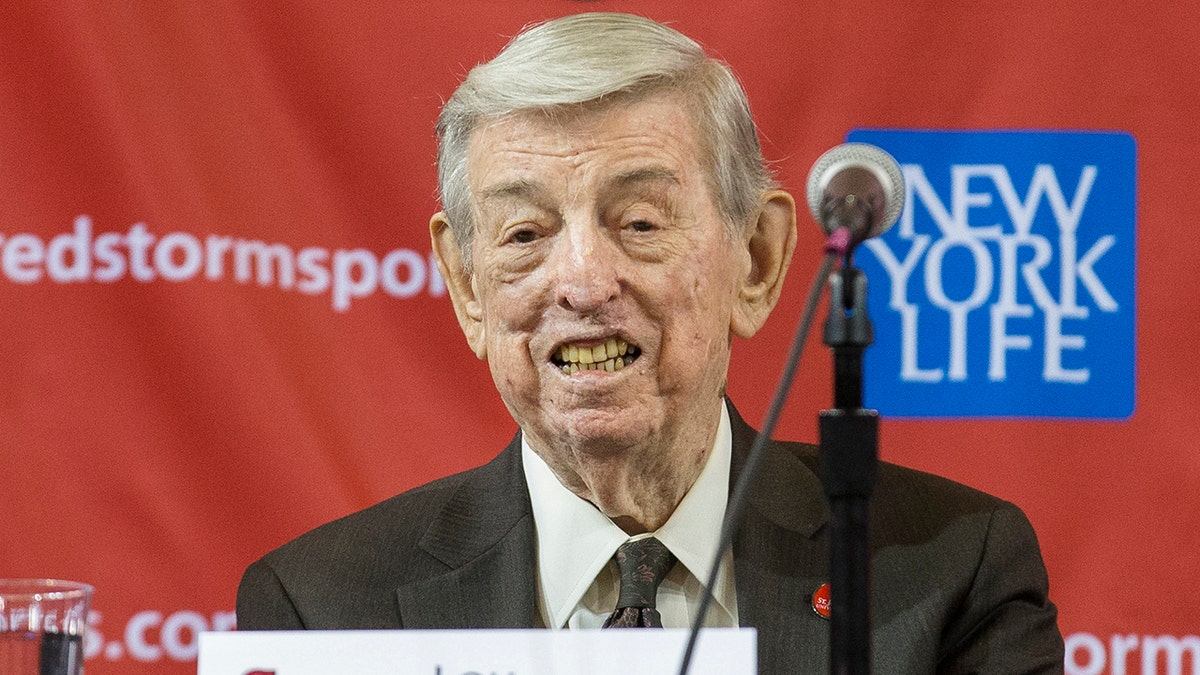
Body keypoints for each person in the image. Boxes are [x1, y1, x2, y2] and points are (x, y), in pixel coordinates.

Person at [237, 12, 1064, 673]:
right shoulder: (323, 608)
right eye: (525, 232)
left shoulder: (951, 572)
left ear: (759, 260)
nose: (585, 282)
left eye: (638, 222)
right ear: (466, 285)